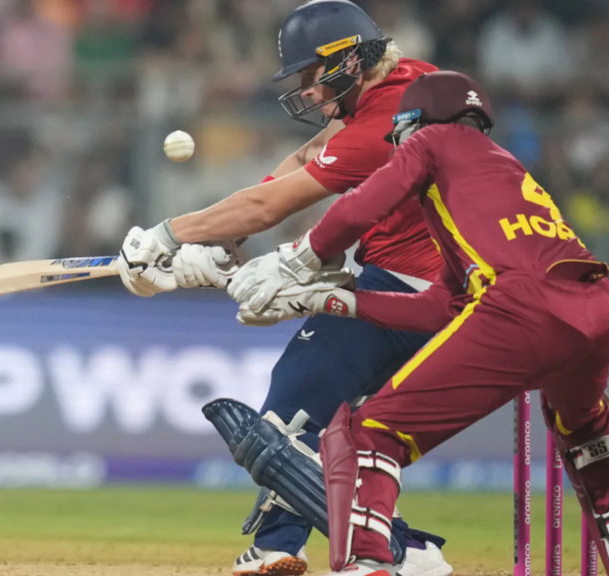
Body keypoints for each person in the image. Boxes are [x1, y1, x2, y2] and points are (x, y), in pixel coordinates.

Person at [229, 71, 609, 576]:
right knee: (588, 432)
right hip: (598, 308)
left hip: (522, 307)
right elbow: (440, 308)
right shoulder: (501, 172)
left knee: (368, 432)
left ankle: (367, 563)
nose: (398, 147)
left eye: (401, 133)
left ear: (418, 124)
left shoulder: (434, 141)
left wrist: (299, 258)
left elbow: (359, 206)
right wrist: (330, 300)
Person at [116, 2, 451, 575]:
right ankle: (279, 544)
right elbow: (306, 157)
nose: (307, 90)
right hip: (436, 282)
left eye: (311, 75)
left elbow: (270, 204)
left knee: (287, 415)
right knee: (324, 420)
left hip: (410, 286)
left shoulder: (381, 123)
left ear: (347, 60)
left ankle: (404, 552)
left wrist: (167, 234)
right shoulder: (408, 80)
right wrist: (227, 239)